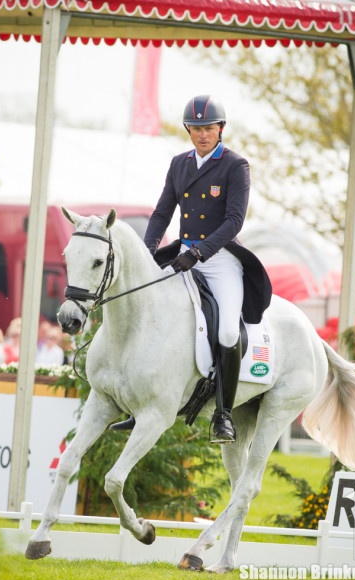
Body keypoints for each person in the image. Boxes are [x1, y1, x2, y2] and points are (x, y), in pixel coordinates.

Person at [112, 95, 272, 444]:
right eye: (196, 129)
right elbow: (161, 213)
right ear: (188, 130)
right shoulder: (178, 164)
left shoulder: (235, 165)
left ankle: (223, 414)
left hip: (220, 260)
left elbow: (233, 221)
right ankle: (136, 405)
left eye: (209, 129)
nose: (202, 135)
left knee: (228, 332)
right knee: (149, 314)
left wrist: (199, 252)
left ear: (221, 129)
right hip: (182, 255)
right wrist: (147, 251)